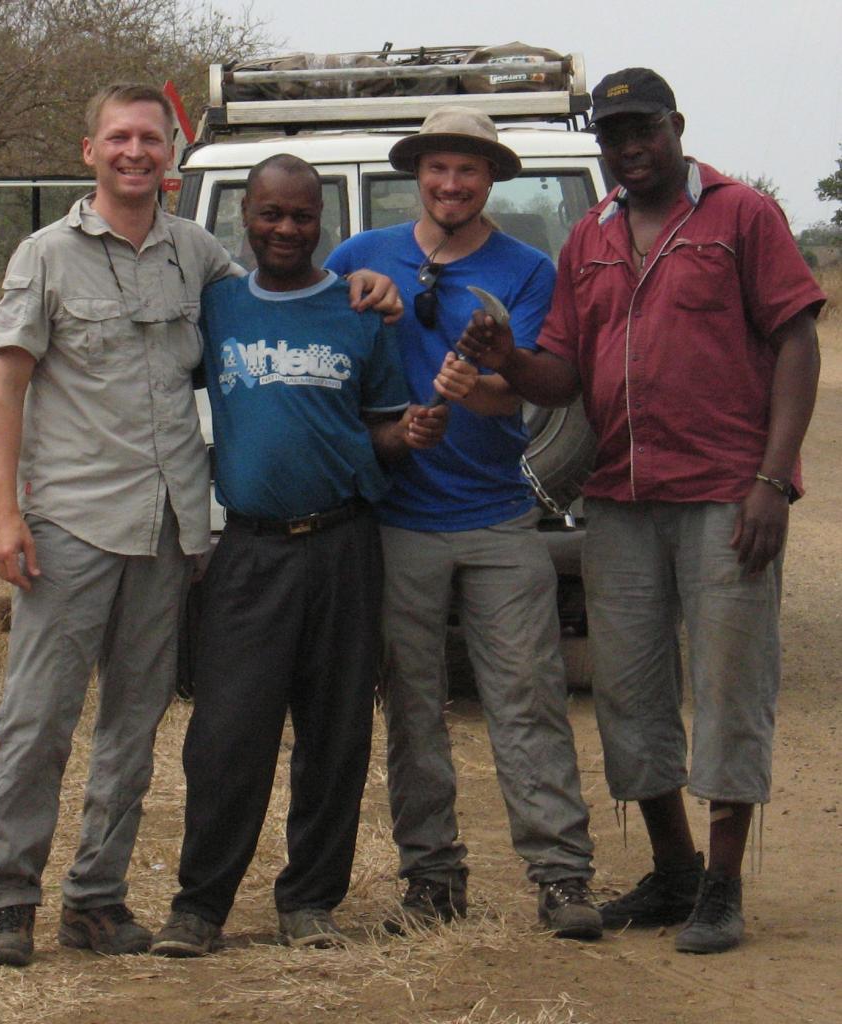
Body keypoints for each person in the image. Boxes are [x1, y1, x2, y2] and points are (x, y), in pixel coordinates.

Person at [0, 87, 400, 970]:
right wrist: (4, 514)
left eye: (151, 140)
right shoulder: (45, 255)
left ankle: (96, 900)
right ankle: (10, 898)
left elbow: (285, 304)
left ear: (172, 154)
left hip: (170, 531)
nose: (136, 153)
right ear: (89, 148)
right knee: (38, 722)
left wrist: (365, 276)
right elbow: (5, 384)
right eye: (119, 138)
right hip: (72, 527)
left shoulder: (196, 257)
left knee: (134, 729)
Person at [458, 69, 824, 955]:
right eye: (613, 134)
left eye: (643, 129)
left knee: (732, 686)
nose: (629, 147)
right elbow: (566, 378)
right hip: (618, 498)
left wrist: (773, 482)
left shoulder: (743, 216)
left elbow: (797, 342)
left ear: (677, 127)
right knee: (627, 690)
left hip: (725, 494)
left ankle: (725, 889)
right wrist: (509, 355)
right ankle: (673, 870)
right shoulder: (590, 235)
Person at [149, 154, 466, 956]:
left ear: (322, 221)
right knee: (226, 736)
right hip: (249, 549)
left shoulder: (359, 312)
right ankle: (199, 908)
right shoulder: (217, 306)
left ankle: (309, 903)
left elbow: (382, 431)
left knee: (335, 734)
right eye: (269, 214)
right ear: (245, 218)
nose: (284, 229)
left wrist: (410, 435)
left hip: (344, 545)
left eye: (300, 216)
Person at [326, 107, 603, 940]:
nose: (452, 184)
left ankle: (560, 876)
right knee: (411, 704)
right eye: (439, 169)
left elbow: (514, 392)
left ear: (492, 179)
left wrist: (476, 376)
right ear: (417, 175)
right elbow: (327, 358)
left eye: (469, 171)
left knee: (529, 698)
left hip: (498, 515)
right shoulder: (359, 257)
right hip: (397, 518)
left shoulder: (525, 270)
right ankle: (432, 877)